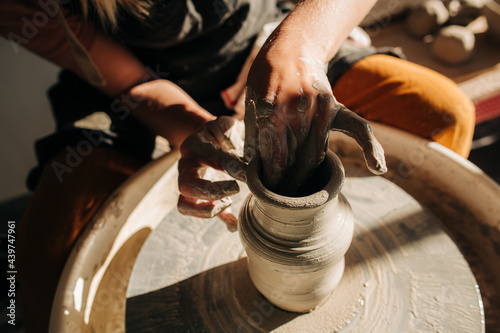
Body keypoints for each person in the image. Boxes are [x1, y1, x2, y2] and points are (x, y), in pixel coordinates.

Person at [0, 0, 474, 331]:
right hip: (134, 97)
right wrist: (195, 130)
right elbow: (129, 82)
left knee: (440, 113)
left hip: (262, 48)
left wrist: (303, 44)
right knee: (43, 273)